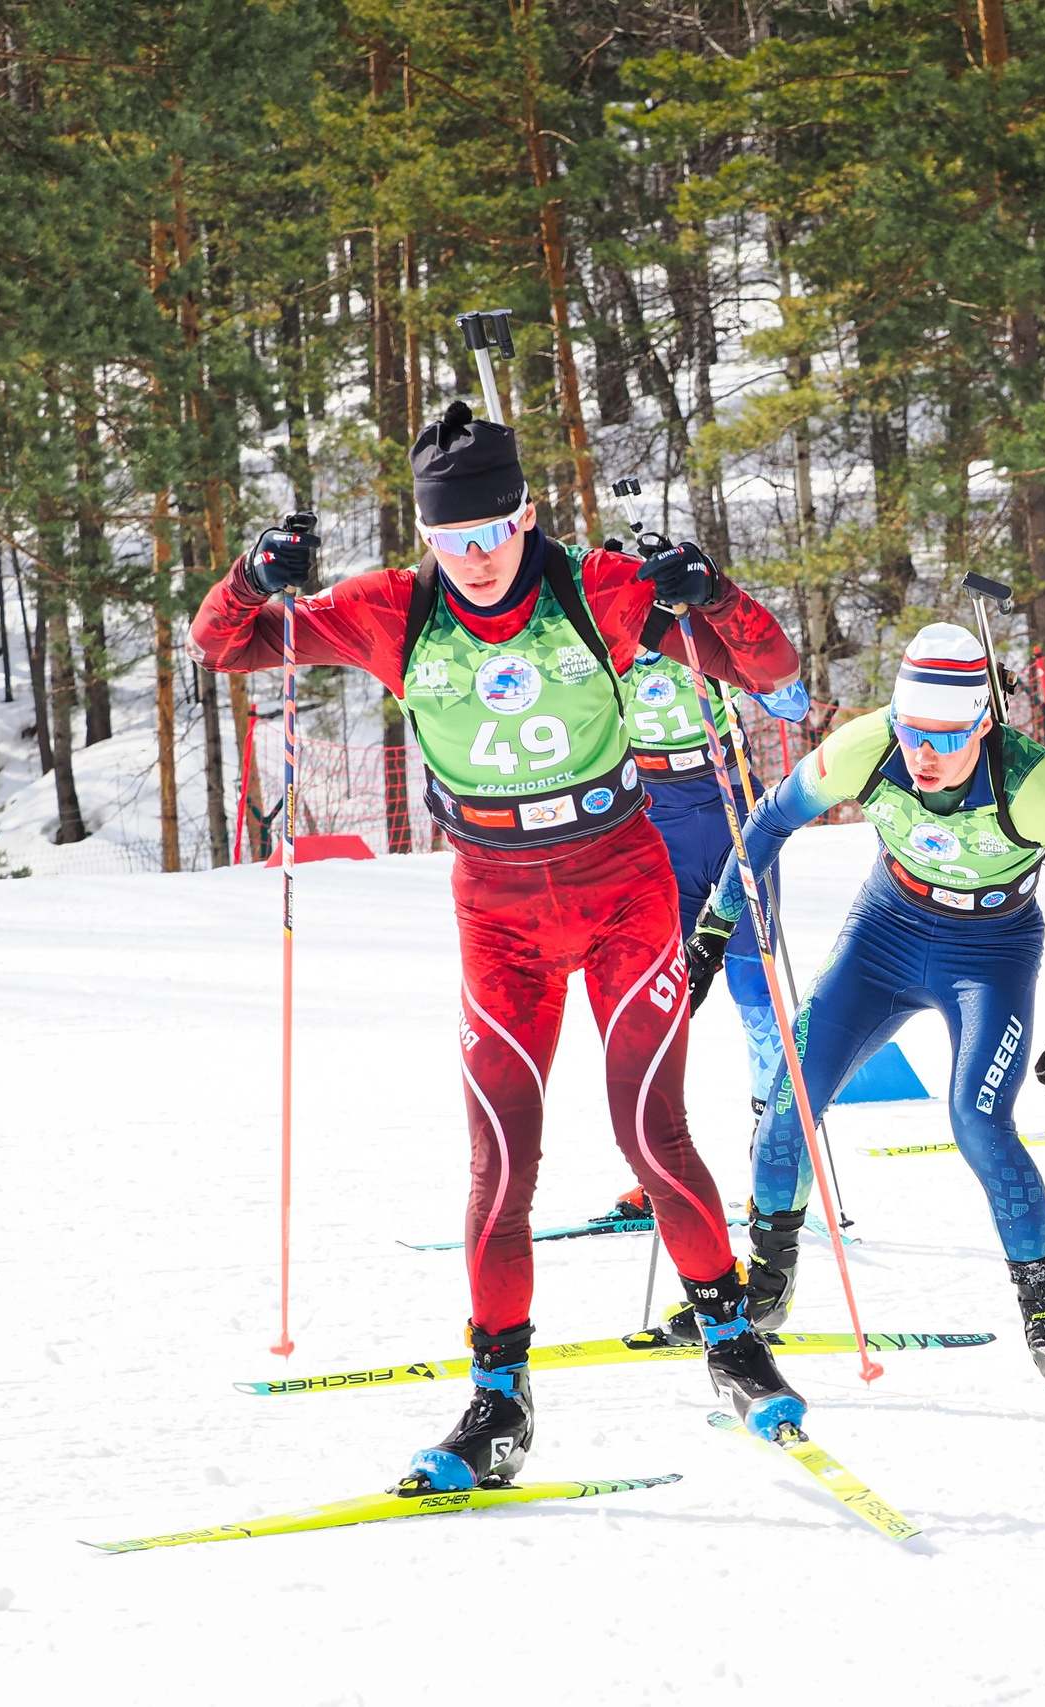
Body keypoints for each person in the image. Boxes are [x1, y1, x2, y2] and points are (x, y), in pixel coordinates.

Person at [191, 400, 810, 1484]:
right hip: (497, 911)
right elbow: (223, 646)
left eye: (490, 532)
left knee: (650, 1135)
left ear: (525, 514)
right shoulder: (393, 611)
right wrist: (251, 573)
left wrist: (711, 591)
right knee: (500, 1158)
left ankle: (731, 1344)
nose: (475, 560)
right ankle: (497, 1402)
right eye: (450, 539)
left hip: (622, 891)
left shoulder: (599, 590)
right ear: (424, 537)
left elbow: (765, 666)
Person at [682, 626, 1045, 1405]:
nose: (923, 753)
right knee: (789, 1100)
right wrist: (710, 932)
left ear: (983, 723)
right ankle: (768, 1282)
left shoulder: (1035, 787)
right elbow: (766, 821)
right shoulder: (866, 747)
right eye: (912, 731)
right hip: (884, 933)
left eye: (947, 736)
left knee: (978, 1119)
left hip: (990, 955)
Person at [585, 646, 809, 1228]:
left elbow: (794, 704)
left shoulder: (699, 634)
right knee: (660, 1001)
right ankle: (655, 1172)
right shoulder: (604, 641)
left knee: (757, 999)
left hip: (735, 813)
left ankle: (773, 1175)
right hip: (655, 819)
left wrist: (726, 645)